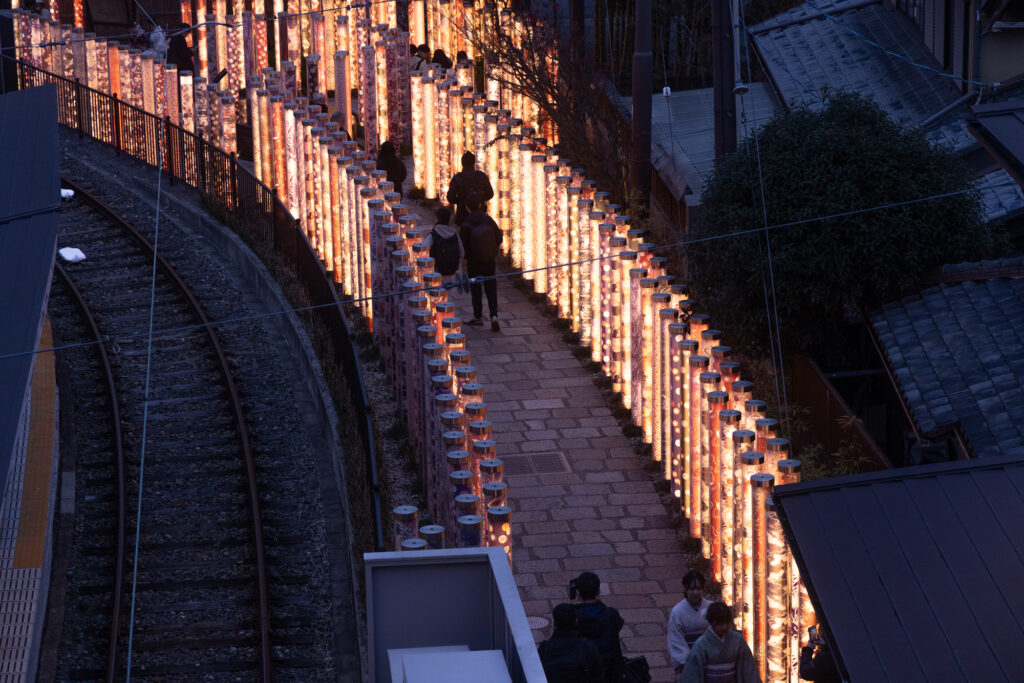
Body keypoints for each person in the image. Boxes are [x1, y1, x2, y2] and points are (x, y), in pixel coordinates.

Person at [680, 602, 761, 683]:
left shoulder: (737, 640)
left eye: (726, 623)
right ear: (711, 623)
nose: (724, 627)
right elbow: (692, 673)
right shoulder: (701, 644)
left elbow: (749, 668)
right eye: (720, 624)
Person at [572, 571, 624, 683]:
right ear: (598, 591)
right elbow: (619, 625)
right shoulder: (611, 614)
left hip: (585, 671)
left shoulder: (574, 619)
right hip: (609, 670)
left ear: (578, 593)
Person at [459, 193, 502, 330]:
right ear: (479, 205)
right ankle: (494, 316)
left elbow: (462, 245)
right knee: (491, 288)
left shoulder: (466, 224)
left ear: (467, 208)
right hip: (489, 259)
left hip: (474, 261)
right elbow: (499, 236)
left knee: (476, 289)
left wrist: (465, 260)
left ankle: (478, 317)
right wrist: (492, 249)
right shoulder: (488, 220)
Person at [538, 603, 604, 683]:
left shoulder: (544, 649)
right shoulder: (587, 647)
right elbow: (598, 675)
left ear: (554, 623)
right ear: (576, 621)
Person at [668, 570, 712, 680]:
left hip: (709, 656)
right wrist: (686, 660)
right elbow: (676, 640)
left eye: (699, 589)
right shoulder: (678, 611)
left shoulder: (711, 607)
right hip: (687, 660)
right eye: (692, 589)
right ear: (685, 589)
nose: (695, 593)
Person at [446, 151, 493, 226]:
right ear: (474, 163)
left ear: (462, 163)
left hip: (462, 215)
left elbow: (450, 198)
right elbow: (490, 194)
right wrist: (479, 198)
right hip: (480, 215)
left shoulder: (457, 178)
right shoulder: (481, 176)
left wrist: (461, 200)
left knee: (463, 236)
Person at [424, 207, 464, 289]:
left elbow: (423, 252)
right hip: (452, 274)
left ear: (437, 219)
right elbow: (462, 253)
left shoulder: (433, 235)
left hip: (436, 273)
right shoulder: (455, 235)